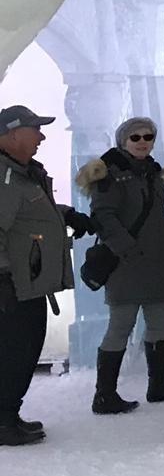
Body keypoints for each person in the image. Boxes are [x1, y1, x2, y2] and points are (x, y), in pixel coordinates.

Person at [75, 117, 164, 414]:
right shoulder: (109, 173)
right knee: (121, 325)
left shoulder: (152, 171)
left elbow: (159, 215)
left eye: (148, 136)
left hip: (157, 260)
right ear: (123, 140)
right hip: (125, 263)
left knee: (159, 322)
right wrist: (126, 248)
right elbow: (103, 215)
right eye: (135, 137)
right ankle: (105, 395)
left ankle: (159, 384)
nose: (142, 142)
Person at [0, 105, 80, 446]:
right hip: (12, 283)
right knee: (15, 352)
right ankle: (3, 422)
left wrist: (66, 215)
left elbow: (29, 216)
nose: (42, 136)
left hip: (27, 282)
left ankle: (8, 415)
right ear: (13, 134)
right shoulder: (4, 176)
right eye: (35, 129)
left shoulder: (24, 173)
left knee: (24, 350)